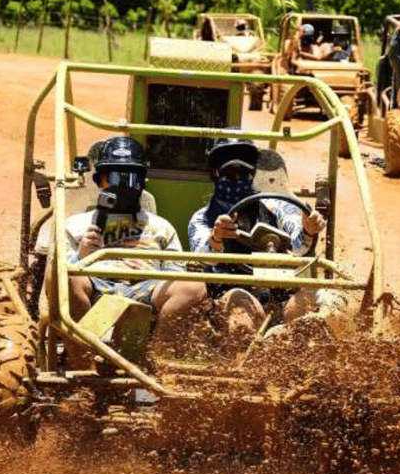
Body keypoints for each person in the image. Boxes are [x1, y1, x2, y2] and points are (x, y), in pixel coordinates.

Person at [65, 136, 208, 360]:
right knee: (67, 278)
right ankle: (81, 364)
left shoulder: (161, 226)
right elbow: (52, 279)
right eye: (113, 178)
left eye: (130, 178)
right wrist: (80, 257)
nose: (122, 186)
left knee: (194, 286)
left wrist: (152, 273)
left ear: (142, 183)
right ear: (98, 181)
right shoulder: (75, 224)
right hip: (94, 287)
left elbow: (176, 273)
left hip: (147, 289)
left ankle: (158, 360)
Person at [188, 138, 327, 336]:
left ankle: (292, 351)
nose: (237, 179)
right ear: (215, 175)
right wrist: (216, 238)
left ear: (253, 175)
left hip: (280, 292)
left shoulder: (276, 207)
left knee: (309, 308)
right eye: (229, 174)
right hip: (230, 294)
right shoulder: (202, 219)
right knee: (241, 317)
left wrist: (308, 228)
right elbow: (202, 254)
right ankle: (249, 359)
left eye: (243, 173)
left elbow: (299, 245)